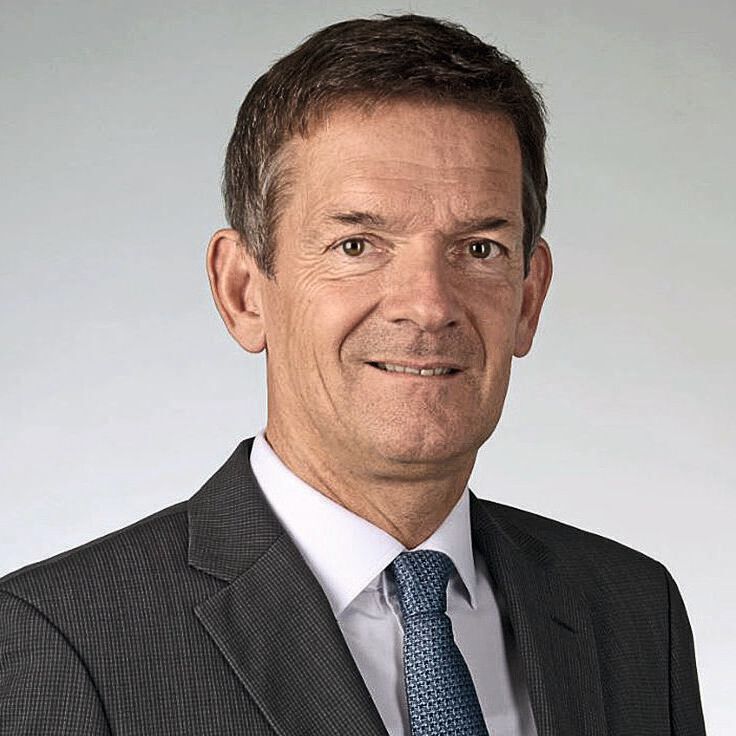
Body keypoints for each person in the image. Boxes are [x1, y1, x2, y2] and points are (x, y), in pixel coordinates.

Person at [0, 14, 705, 736]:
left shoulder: (633, 612)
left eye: (479, 249)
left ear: (529, 298)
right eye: (357, 244)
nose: (428, 305)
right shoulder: (59, 642)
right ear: (243, 291)